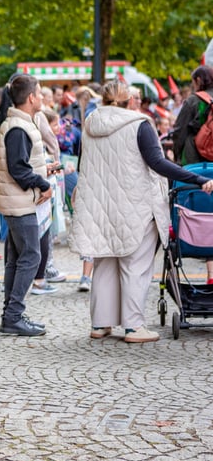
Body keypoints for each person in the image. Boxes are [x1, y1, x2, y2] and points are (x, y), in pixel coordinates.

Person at [70, 79, 213, 342]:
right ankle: (134, 326)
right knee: (135, 264)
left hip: (101, 204)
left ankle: (100, 324)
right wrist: (197, 179)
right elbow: (157, 163)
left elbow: (84, 164)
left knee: (105, 261)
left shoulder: (91, 123)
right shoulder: (138, 125)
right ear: (129, 100)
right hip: (135, 203)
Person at [0, 74, 51, 337]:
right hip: (20, 204)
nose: (41, 98)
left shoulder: (18, 124)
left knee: (17, 259)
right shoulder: (18, 127)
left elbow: (21, 163)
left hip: (17, 202)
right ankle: (13, 316)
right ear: (31, 98)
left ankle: (11, 315)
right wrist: (42, 183)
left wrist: (43, 170)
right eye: (39, 94)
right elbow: (18, 168)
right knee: (31, 256)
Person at [171, 65, 213, 285]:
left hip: (194, 162)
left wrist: (175, 155)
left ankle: (208, 267)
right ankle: (211, 274)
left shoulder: (193, 101)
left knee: (200, 211)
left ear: (198, 80)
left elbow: (179, 131)